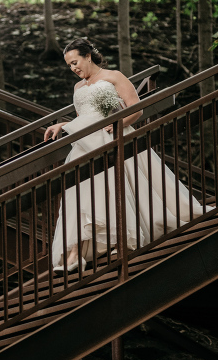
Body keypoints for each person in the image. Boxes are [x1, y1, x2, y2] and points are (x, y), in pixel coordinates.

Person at [44, 38, 203, 274]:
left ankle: (123, 240)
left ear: (88, 56)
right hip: (86, 144)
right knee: (78, 192)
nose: (73, 69)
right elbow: (83, 118)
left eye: (75, 62)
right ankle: (74, 255)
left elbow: (135, 109)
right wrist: (64, 125)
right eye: (69, 65)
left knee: (116, 186)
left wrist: (117, 123)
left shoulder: (114, 76)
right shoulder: (77, 88)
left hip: (114, 137)